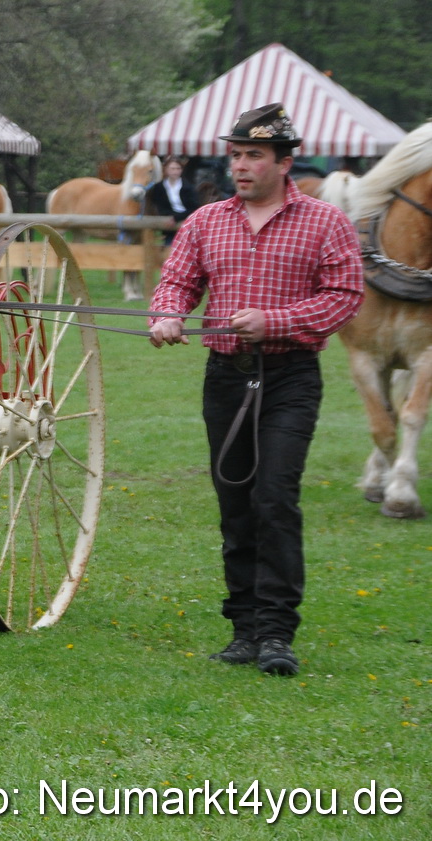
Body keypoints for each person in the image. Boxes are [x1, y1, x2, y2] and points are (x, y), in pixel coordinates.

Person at [148, 104, 364, 678]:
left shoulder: (326, 223)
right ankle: (243, 629)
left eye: (254, 156)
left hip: (290, 377)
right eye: (236, 156)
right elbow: (177, 282)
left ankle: (276, 634)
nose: (241, 167)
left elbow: (344, 297)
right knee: (235, 504)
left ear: (284, 162)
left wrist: (277, 321)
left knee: (275, 496)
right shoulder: (205, 221)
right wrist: (168, 316)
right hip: (226, 376)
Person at [142, 155, 201, 241]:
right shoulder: (159, 187)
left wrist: (176, 218)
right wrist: (170, 217)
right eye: (172, 169)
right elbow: (160, 206)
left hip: (187, 220)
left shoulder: (188, 187)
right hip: (168, 222)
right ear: (166, 170)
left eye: (178, 169)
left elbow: (194, 207)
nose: (175, 172)